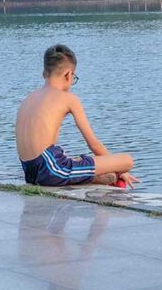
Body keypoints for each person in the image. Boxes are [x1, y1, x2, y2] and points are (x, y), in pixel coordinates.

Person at [15, 44, 138, 187]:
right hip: (52, 170)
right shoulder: (69, 98)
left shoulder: (29, 98)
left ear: (44, 73)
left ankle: (96, 177)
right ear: (69, 75)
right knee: (127, 160)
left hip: (30, 172)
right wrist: (120, 169)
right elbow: (94, 144)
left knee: (101, 172)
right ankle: (105, 174)